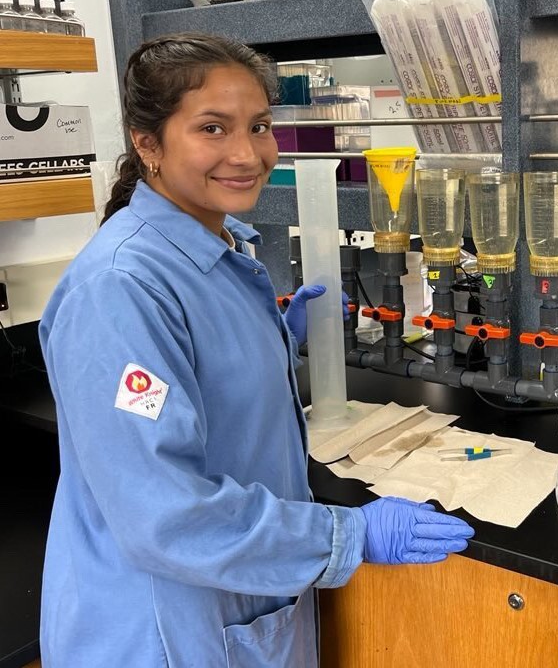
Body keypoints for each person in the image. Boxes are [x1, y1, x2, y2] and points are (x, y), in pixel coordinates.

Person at [38, 32, 474, 667]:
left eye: (259, 126)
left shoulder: (212, 248)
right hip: (159, 630)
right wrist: (349, 533)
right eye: (212, 129)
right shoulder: (119, 290)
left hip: (234, 606)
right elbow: (165, 513)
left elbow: (201, 396)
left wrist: (267, 341)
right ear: (147, 143)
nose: (247, 154)